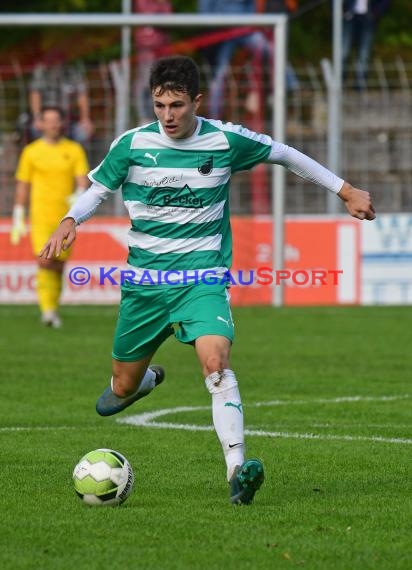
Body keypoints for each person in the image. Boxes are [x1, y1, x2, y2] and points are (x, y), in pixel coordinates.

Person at [39, 56, 375, 504]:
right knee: (117, 389)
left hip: (202, 279)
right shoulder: (133, 144)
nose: (168, 116)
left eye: (177, 105)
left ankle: (237, 470)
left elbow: (285, 154)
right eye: (159, 105)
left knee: (216, 364)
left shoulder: (224, 139)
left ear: (197, 100)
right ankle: (142, 382)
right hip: (144, 285)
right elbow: (99, 189)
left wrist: (345, 190)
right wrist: (70, 218)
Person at [11, 106, 90, 328]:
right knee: (44, 260)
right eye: (48, 120)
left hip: (66, 219)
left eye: (56, 120)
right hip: (40, 217)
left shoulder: (74, 150)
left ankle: (51, 309)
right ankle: (47, 310)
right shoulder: (31, 151)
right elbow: (23, 184)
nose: (53, 124)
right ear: (40, 124)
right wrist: (18, 212)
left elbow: (82, 179)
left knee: (57, 263)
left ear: (62, 123)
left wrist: (78, 194)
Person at [197, 0, 299, 118]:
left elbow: (252, 7)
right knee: (219, 73)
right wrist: (218, 26)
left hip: (244, 31)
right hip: (222, 34)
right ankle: (213, 117)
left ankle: (291, 86)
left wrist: (248, 22)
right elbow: (204, 11)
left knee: (270, 48)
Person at [29, 52, 94, 143]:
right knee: (35, 130)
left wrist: (85, 118)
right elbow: (35, 95)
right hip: (46, 118)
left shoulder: (72, 72)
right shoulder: (41, 72)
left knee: (83, 132)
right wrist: (37, 118)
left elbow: (82, 94)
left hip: (69, 118)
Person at [133, 0, 172, 125]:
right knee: (145, 81)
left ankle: (159, 115)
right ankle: (144, 117)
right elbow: (147, 12)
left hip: (161, 45)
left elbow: (168, 15)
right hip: (147, 44)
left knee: (162, 82)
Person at [341, 0, 390, 90]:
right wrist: (341, 11)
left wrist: (376, 12)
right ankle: (340, 84)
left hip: (368, 18)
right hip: (349, 16)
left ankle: (360, 86)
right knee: (343, 52)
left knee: (364, 54)